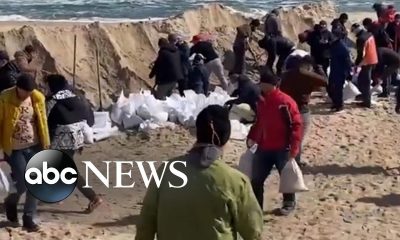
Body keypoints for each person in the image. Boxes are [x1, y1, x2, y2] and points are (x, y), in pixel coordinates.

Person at [135, 105, 263, 240]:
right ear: (226, 137)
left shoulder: (166, 171)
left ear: (197, 133)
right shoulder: (236, 181)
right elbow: (253, 231)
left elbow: (146, 224)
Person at [247, 68, 302, 216]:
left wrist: (294, 148)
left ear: (271, 84)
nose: (261, 87)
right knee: (256, 179)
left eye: (263, 84)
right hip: (264, 147)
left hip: (282, 148)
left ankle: (289, 202)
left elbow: (296, 125)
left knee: (286, 177)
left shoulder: (285, 102)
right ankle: (256, 207)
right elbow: (259, 122)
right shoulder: (261, 101)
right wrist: (252, 137)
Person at [45, 74, 103, 213]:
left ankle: (93, 197)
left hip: (61, 138)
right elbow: (89, 118)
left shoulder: (52, 100)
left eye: (46, 85)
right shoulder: (76, 96)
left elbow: (45, 121)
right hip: (76, 137)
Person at [0, 74, 50, 232]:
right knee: (22, 184)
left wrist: (46, 143)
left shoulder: (37, 98)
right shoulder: (5, 98)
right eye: (25, 92)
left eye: (30, 92)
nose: (27, 95)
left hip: (34, 145)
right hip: (14, 148)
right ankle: (11, 202)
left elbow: (42, 122)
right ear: (18, 88)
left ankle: (28, 217)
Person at [280, 56, 327, 167]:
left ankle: (284, 158)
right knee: (298, 137)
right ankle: (295, 161)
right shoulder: (306, 74)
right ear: (309, 65)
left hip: (286, 109)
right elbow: (325, 81)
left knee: (287, 135)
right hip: (301, 109)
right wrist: (319, 68)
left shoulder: (286, 74)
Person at [351, 23, 378, 108]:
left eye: (353, 30)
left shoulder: (361, 39)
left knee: (364, 82)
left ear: (356, 29)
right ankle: (365, 99)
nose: (353, 33)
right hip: (373, 59)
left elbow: (361, 54)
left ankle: (367, 102)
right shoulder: (369, 34)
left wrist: (356, 65)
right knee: (364, 81)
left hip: (366, 62)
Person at [329, 33, 353, 111]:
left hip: (340, 71)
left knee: (338, 88)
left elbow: (347, 61)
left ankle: (339, 105)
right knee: (332, 87)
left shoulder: (342, 47)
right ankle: (335, 103)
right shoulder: (334, 45)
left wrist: (349, 72)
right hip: (334, 69)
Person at [264, 9, 283, 73]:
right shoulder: (275, 19)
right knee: (273, 55)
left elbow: (265, 29)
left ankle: (267, 67)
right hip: (274, 39)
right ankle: (270, 69)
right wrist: (281, 38)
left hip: (268, 37)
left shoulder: (267, 18)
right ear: (277, 13)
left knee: (270, 54)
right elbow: (279, 30)